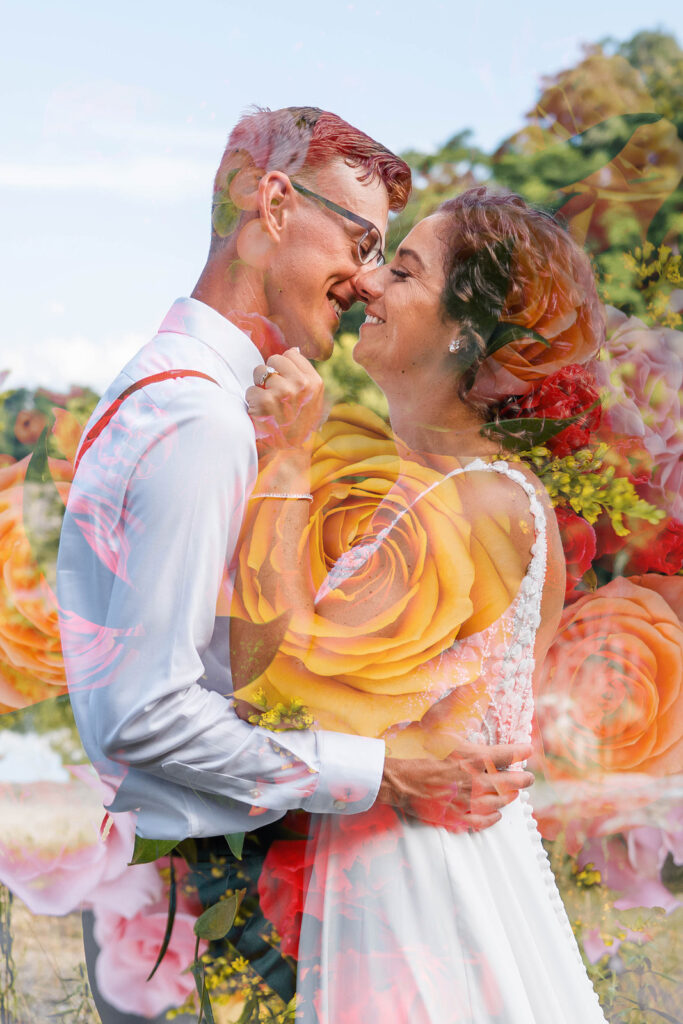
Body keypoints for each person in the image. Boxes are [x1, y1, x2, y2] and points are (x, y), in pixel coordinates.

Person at [56, 112, 532, 1022]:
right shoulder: (200, 420)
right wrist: (382, 772)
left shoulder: (174, 392)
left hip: (188, 891)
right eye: (360, 240)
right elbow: (142, 712)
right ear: (272, 201)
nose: (363, 279)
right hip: (206, 903)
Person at [237, 187, 609, 1022]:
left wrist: (286, 460)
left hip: (417, 891)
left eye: (401, 270)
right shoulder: (462, 491)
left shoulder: (472, 505)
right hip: (431, 864)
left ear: (463, 334)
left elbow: (272, 687)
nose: (367, 283)